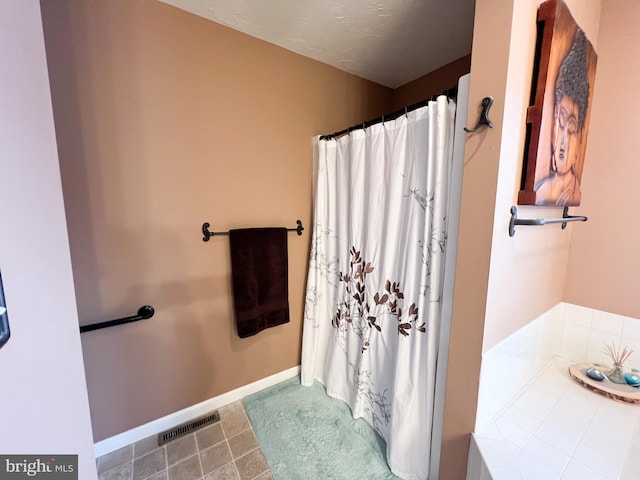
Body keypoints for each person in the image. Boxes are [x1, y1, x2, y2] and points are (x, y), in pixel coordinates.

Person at [535, 28, 590, 206]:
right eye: (560, 122)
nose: (563, 141)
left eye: (572, 128)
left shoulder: (572, 193)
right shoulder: (542, 191)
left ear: (580, 136)